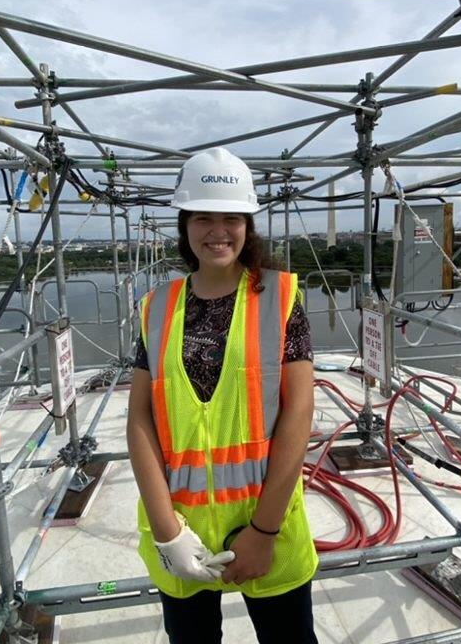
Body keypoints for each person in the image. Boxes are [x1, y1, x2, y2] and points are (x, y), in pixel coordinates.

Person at [127, 147, 319, 644]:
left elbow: (298, 415)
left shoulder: (279, 298)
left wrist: (265, 531)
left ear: (247, 225)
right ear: (185, 225)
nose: (218, 230)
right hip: (181, 524)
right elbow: (141, 421)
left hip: (266, 524)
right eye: (203, 217)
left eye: (232, 217)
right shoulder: (156, 307)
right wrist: (167, 532)